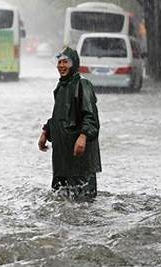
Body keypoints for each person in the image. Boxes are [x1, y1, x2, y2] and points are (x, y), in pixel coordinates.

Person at [38, 47, 101, 199]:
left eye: (65, 62)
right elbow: (60, 116)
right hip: (62, 158)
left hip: (79, 157)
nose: (61, 66)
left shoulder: (82, 85)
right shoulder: (61, 87)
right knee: (60, 200)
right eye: (59, 62)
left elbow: (90, 116)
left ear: (74, 64)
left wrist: (83, 136)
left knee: (83, 200)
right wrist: (46, 132)